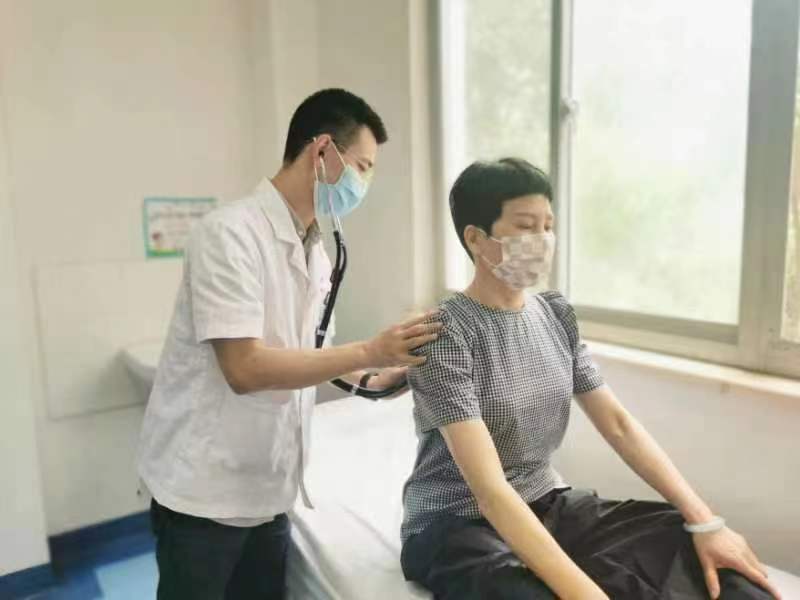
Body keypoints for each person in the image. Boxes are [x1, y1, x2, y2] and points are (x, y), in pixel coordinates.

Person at [400, 158, 780, 600]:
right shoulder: (443, 335)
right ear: (475, 238)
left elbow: (618, 424)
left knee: (691, 549)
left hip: (545, 503)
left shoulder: (555, 315)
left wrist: (705, 522)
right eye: (525, 226)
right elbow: (490, 491)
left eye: (548, 226)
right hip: (458, 524)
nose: (542, 239)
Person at [137, 88, 441, 600]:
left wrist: (384, 377)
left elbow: (314, 354)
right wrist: (371, 350)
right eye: (362, 167)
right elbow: (245, 368)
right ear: (322, 151)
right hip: (204, 496)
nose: (364, 184)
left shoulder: (317, 253)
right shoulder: (228, 234)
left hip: (271, 491)